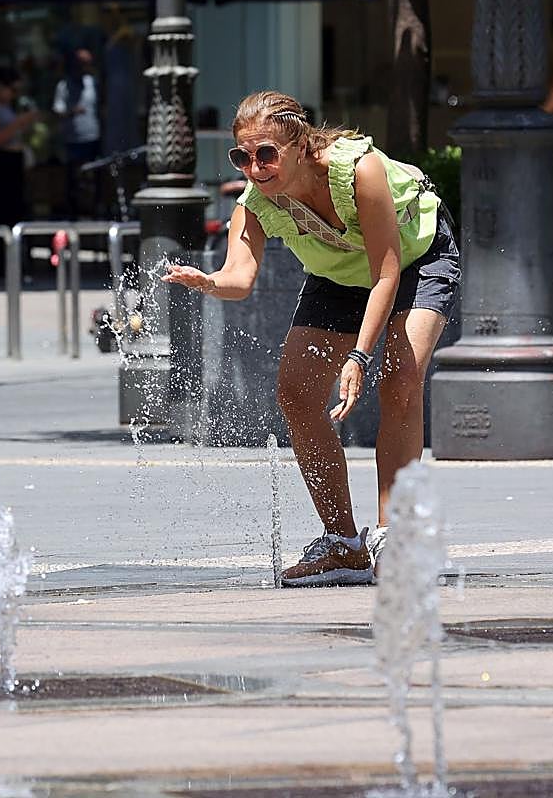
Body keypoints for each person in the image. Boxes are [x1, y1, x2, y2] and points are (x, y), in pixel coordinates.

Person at [162, 90, 461, 588]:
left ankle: (394, 536)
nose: (254, 167)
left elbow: (385, 273)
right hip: (340, 276)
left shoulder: (358, 170)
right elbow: (239, 278)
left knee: (399, 380)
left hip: (415, 259)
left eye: (266, 154)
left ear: (300, 144)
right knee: (297, 393)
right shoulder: (256, 204)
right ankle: (342, 544)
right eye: (243, 156)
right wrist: (210, 282)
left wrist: (361, 356)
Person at [0, 67, 39, 281]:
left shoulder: (5, 107)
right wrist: (18, 123)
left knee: (13, 217)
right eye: (11, 89)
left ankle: (12, 268)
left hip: (10, 167)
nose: (14, 95)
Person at [52, 48, 102, 218]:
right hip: (73, 138)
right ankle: (73, 211)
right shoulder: (63, 86)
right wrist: (72, 111)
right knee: (73, 177)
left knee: (93, 176)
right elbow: (57, 111)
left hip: (92, 136)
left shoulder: (92, 83)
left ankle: (93, 208)